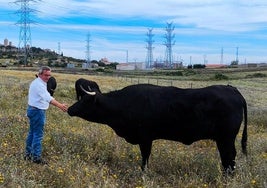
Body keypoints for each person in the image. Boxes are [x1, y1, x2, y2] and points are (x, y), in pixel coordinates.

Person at [24, 66, 68, 165]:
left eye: (49, 75)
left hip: (33, 110)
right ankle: (36, 158)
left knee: (32, 133)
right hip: (37, 111)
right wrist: (60, 105)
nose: (48, 77)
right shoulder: (39, 84)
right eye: (45, 75)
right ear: (40, 74)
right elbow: (48, 97)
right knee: (38, 135)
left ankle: (28, 154)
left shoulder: (38, 82)